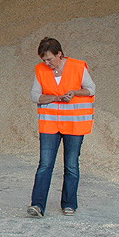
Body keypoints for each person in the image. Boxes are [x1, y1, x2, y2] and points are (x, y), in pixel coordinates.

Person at [27, 37, 95, 218]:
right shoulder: (40, 70)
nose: (47, 63)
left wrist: (74, 93)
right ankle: (37, 205)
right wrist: (54, 98)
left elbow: (91, 89)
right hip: (50, 124)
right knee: (45, 165)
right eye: (44, 60)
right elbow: (35, 95)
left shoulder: (78, 67)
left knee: (71, 165)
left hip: (74, 123)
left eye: (49, 59)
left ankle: (69, 204)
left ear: (59, 54)